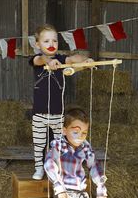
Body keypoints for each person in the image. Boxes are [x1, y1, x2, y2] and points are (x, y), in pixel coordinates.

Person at [29, 24, 93, 180]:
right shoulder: (36, 59)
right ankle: (39, 168)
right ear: (38, 44)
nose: (51, 44)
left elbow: (73, 58)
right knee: (39, 144)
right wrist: (48, 61)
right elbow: (40, 59)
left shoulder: (61, 60)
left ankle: (57, 167)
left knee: (58, 144)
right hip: (39, 113)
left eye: (54, 41)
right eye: (46, 41)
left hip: (57, 114)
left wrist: (86, 60)